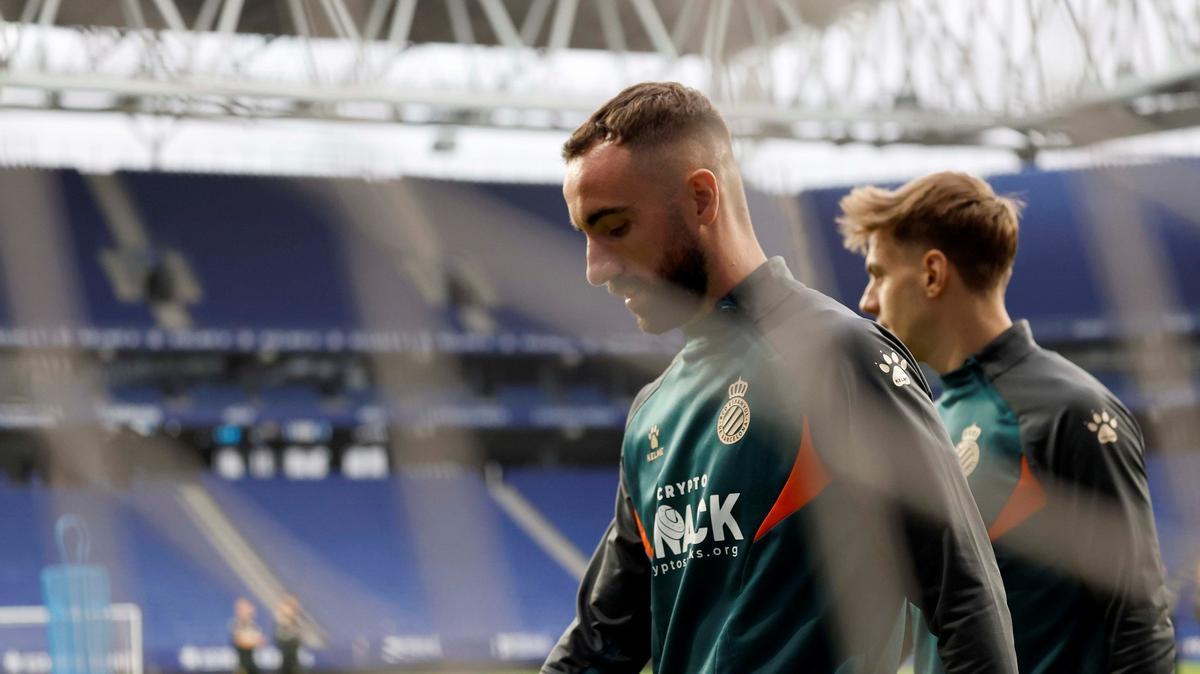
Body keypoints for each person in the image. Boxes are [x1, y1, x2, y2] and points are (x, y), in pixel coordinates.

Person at [542, 82, 1017, 674]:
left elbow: (963, 598)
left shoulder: (842, 356)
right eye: (584, 235)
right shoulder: (652, 413)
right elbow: (600, 641)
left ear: (699, 198)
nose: (595, 269)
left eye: (614, 227)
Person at [838, 171, 1176, 672]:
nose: (867, 301)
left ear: (932, 273)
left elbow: (1139, 625)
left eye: (879, 274)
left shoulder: (1072, 410)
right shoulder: (929, 416)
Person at [230, 597, 263, 674]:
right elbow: (241, 641)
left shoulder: (254, 625)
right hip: (242, 665)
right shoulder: (235, 624)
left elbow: (260, 641)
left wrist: (251, 641)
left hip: (253, 664)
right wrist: (252, 641)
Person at [274, 595, 302, 674]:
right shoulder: (280, 623)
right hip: (284, 665)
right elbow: (283, 637)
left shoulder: (297, 623)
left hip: (294, 664)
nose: (292, 610)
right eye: (290, 607)